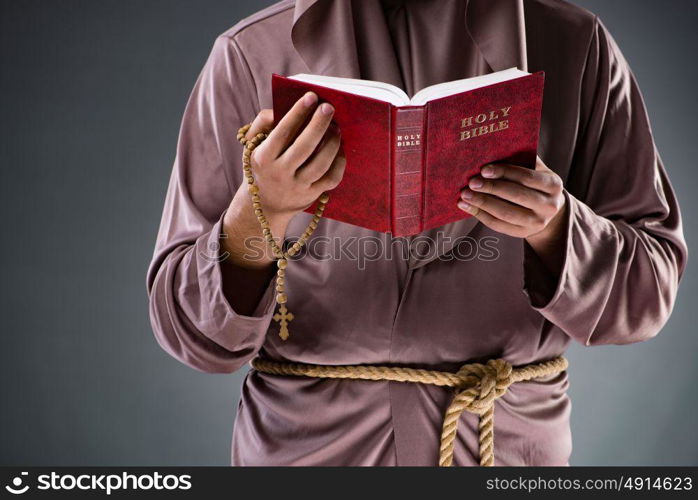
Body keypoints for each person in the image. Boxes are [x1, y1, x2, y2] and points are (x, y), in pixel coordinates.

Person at [146, 0, 687, 465]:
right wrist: (260, 209)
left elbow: (648, 294)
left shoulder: (577, 46)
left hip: (507, 445)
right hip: (306, 448)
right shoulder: (248, 54)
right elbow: (192, 333)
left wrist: (556, 227)